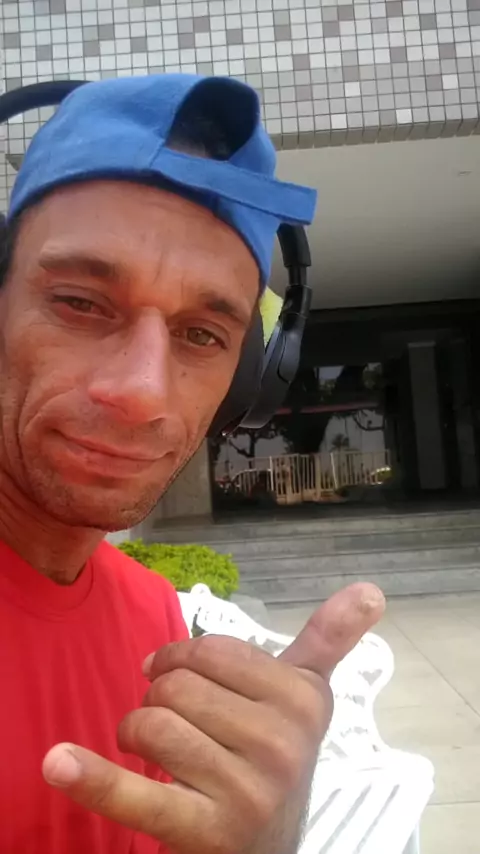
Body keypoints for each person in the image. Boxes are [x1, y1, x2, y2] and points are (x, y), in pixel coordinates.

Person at [0, 73, 385, 854]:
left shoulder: (157, 622)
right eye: (80, 302)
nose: (143, 393)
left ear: (247, 383)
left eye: (203, 336)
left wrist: (266, 835)